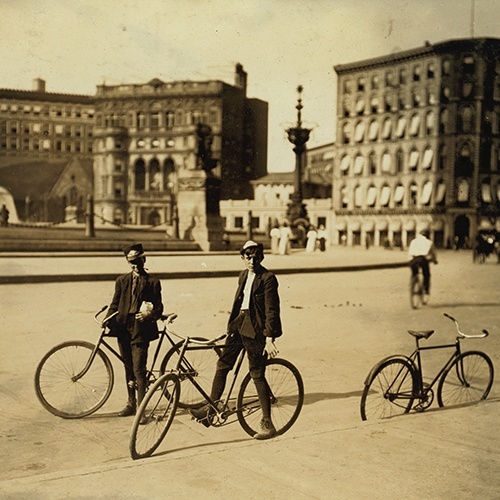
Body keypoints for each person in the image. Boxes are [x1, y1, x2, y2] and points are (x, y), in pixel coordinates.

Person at [190, 240, 282, 440]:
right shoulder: (243, 275)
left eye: (256, 256)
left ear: (261, 257)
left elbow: (271, 310)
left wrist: (269, 338)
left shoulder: (268, 278)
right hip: (240, 325)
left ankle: (267, 422)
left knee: (256, 373)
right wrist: (231, 326)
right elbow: (238, 303)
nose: (252, 260)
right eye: (248, 257)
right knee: (222, 364)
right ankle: (211, 408)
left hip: (256, 331)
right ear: (242, 258)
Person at [106, 243, 163, 419]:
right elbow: (115, 304)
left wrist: (148, 315)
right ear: (127, 262)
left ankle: (141, 410)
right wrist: (107, 319)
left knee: (139, 369)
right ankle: (131, 403)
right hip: (123, 327)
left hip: (141, 329)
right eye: (131, 261)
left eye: (138, 260)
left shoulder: (153, 282)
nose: (135, 264)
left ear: (144, 259)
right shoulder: (121, 281)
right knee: (128, 367)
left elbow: (159, 307)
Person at [408, 230, 438, 304]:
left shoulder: (413, 241)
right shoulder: (429, 242)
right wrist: (434, 260)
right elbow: (433, 254)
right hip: (422, 259)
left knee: (414, 273)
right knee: (426, 274)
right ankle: (426, 289)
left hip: (413, 260)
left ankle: (413, 281)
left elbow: (409, 253)